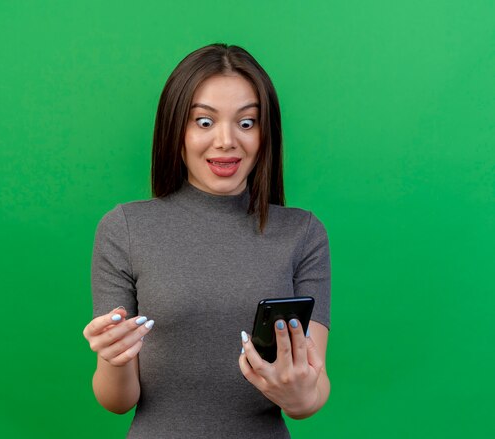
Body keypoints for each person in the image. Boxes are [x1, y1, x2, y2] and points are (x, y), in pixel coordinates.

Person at [82, 43, 331, 438]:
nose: (227, 141)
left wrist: (298, 393)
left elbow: (312, 394)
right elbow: (117, 401)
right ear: (175, 128)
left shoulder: (302, 233)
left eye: (246, 123)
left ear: (266, 133)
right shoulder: (124, 228)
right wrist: (114, 359)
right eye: (204, 122)